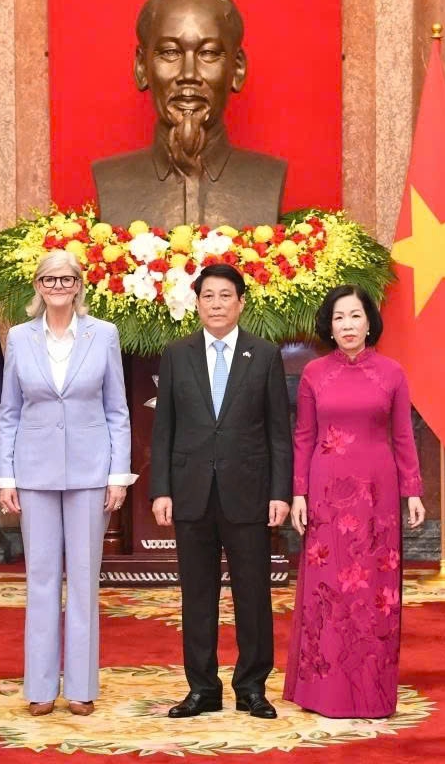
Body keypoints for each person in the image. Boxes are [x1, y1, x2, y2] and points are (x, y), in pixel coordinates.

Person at [0, 251, 133, 717]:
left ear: (78, 286)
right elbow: (9, 412)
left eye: (66, 279)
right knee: (41, 578)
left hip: (91, 474)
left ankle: (81, 686)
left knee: (85, 581)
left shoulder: (103, 334)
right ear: (38, 285)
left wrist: (117, 475)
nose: (58, 286)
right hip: (34, 473)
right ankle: (39, 687)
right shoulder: (20, 337)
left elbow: (117, 410)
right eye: (49, 279)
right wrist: (6, 477)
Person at [150, 263, 292, 720]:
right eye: (207, 296)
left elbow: (278, 432)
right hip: (191, 492)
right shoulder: (177, 354)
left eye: (225, 295)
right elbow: (164, 429)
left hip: (248, 492)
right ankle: (202, 689)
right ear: (196, 303)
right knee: (197, 595)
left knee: (253, 595)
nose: (216, 304)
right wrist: (161, 490)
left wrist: (280, 492)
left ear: (241, 302)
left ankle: (252, 687)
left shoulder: (264, 354)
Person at [283, 284, 427, 719]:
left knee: (373, 590)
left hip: (377, 495)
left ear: (369, 323)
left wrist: (412, 490)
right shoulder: (314, 374)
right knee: (327, 588)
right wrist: (298, 492)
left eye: (355, 316)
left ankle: (371, 693)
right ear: (329, 326)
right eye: (339, 318)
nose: (347, 325)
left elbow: (402, 436)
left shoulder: (392, 373)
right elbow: (304, 436)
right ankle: (322, 692)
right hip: (326, 494)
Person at [92, 0, 286, 228]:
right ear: (141, 67)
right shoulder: (111, 179)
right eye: (170, 52)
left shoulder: (268, 177)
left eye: (208, 53)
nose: (189, 74)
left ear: (237, 69)